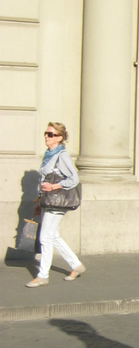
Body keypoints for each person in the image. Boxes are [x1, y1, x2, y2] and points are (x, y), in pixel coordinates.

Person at [26, 122, 85, 287]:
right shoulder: (49, 155)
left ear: (59, 138)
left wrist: (54, 186)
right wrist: (40, 202)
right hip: (48, 201)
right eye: (46, 133)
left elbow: (74, 179)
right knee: (53, 236)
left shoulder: (62, 156)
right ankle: (76, 265)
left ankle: (43, 275)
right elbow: (44, 180)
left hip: (57, 202)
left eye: (51, 134)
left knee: (45, 237)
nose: (47, 136)